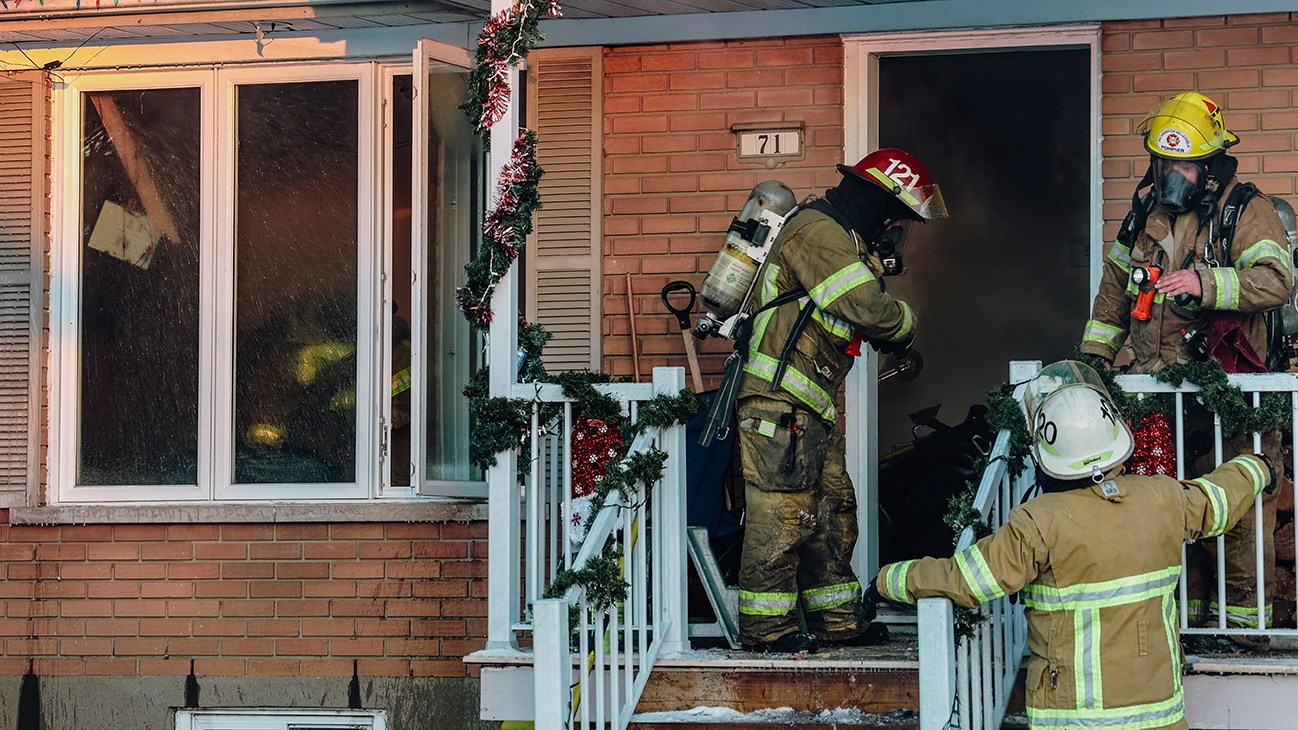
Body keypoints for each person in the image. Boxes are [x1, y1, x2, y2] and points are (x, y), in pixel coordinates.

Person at [868, 360, 1275, 730]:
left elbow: (966, 581)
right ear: (1115, 436)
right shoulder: (1163, 498)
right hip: (1159, 713)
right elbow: (1217, 499)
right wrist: (1256, 468)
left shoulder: (1040, 521)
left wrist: (890, 577)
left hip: (1073, 716)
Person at [1078, 91, 1291, 644]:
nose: (1175, 174)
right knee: (1175, 510)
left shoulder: (1245, 210)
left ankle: (1246, 632)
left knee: (1240, 510)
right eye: (1167, 162)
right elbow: (1112, 300)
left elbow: (1276, 280)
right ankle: (1192, 624)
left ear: (1212, 164)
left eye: (1187, 164)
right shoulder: (1144, 217)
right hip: (1160, 393)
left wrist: (1208, 285)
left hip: (1232, 395)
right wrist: (1094, 362)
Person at [734, 148, 948, 653]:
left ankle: (838, 623)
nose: (898, 230)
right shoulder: (819, 231)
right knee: (783, 515)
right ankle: (767, 632)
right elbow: (866, 306)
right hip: (776, 405)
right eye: (897, 218)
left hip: (808, 410)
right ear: (877, 202)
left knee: (832, 510)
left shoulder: (845, 240)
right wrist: (905, 324)